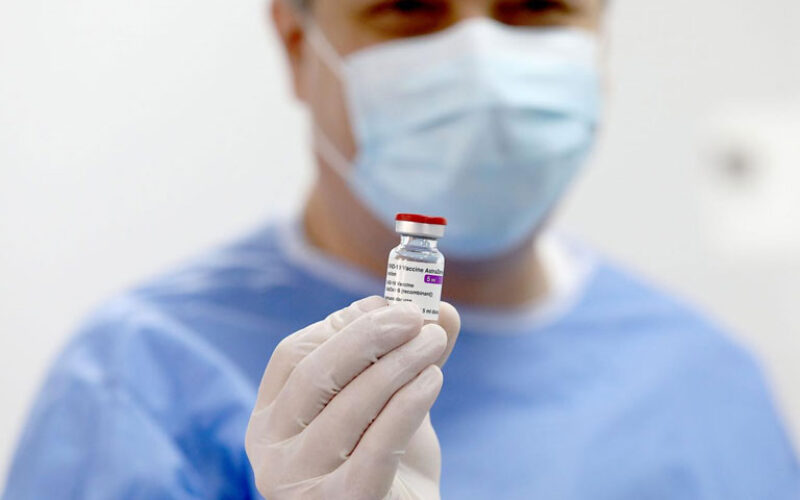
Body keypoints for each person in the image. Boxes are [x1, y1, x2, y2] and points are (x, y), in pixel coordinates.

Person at [4, 0, 799, 498]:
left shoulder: (707, 380)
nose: (483, 68)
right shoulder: (141, 378)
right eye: (410, 8)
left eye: (536, 8)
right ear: (295, 43)